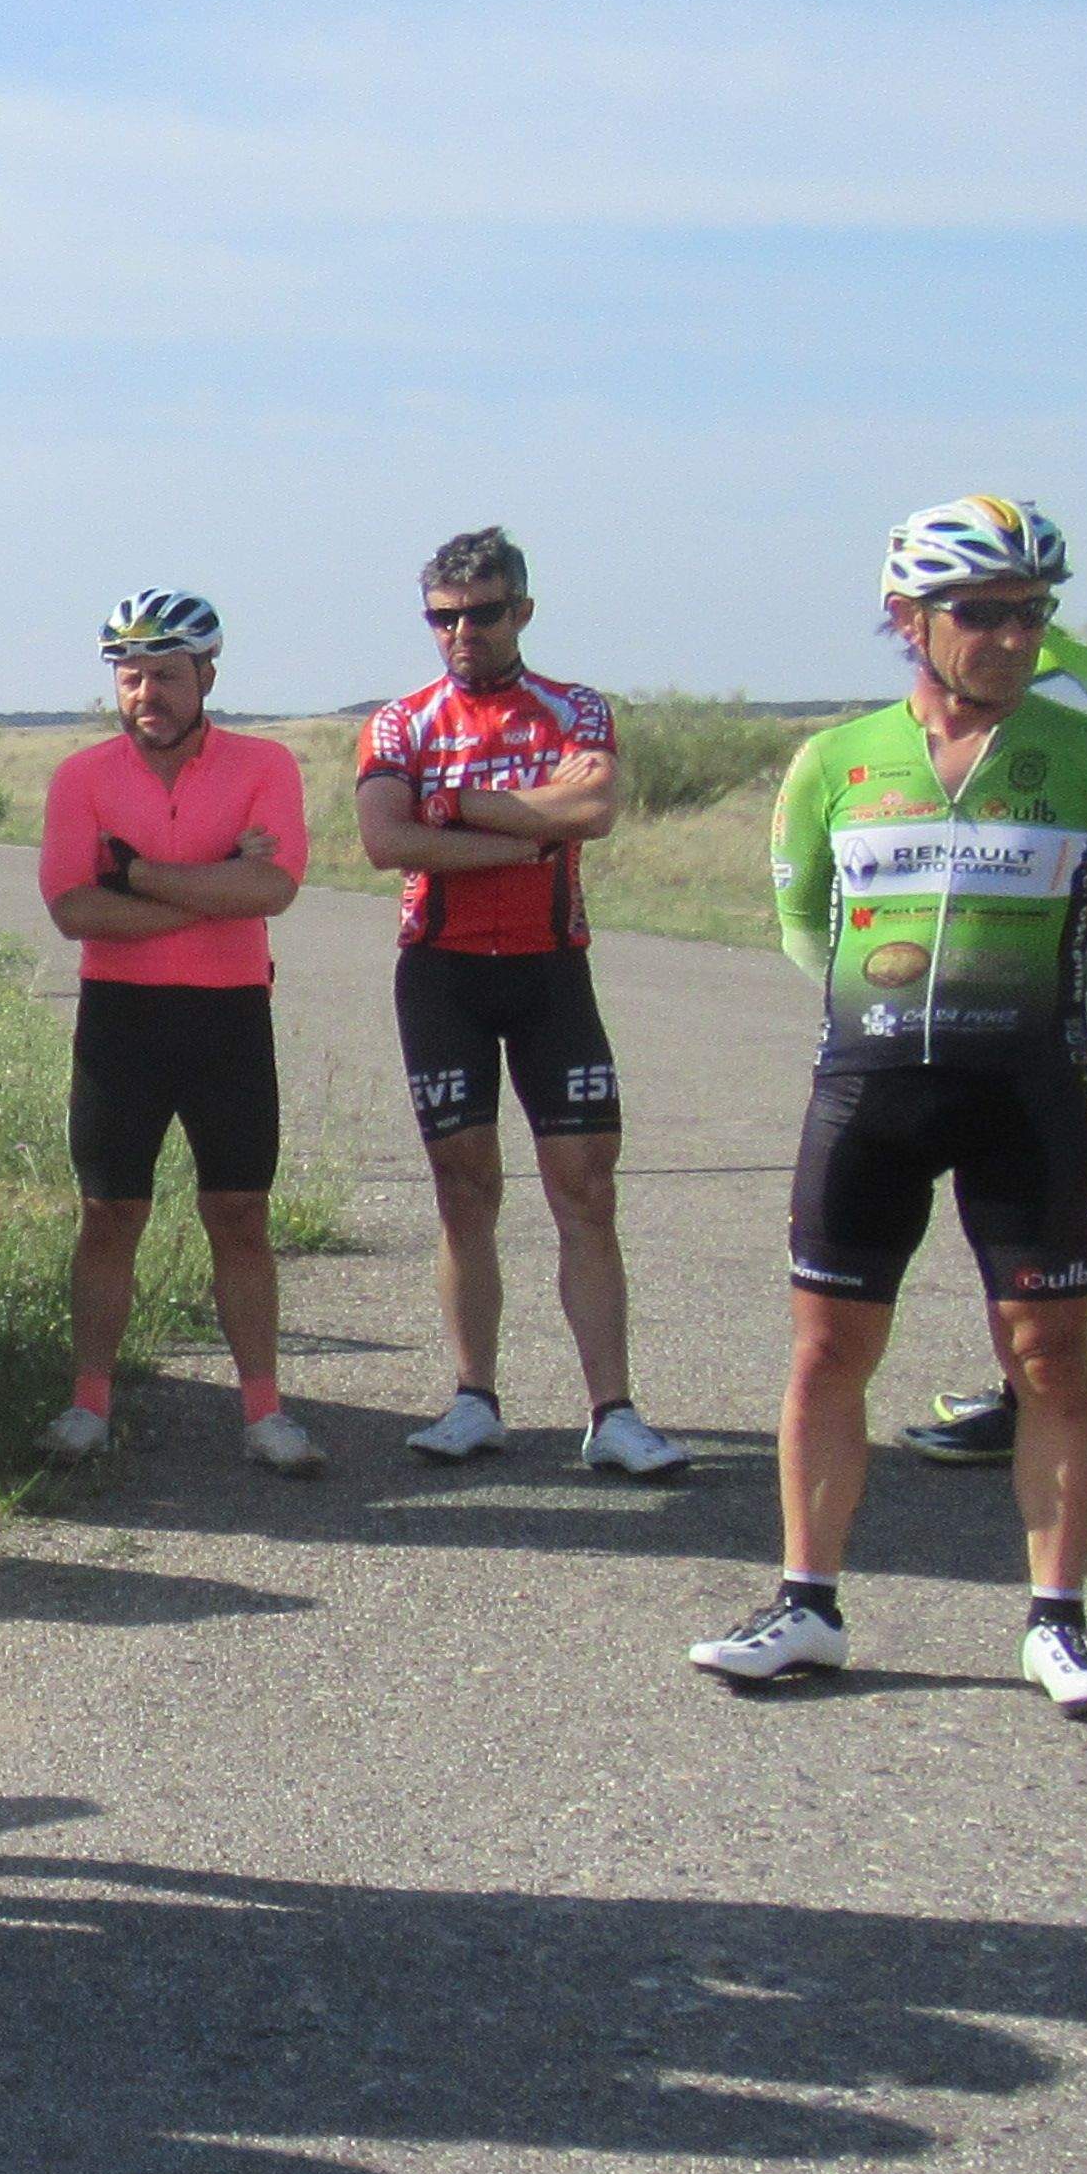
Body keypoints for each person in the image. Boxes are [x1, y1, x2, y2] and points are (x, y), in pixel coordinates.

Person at [694, 500, 1087, 1713]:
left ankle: (1059, 1623)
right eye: (984, 613)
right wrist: (896, 1025)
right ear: (908, 619)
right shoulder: (834, 760)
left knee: (1050, 1357)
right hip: (871, 1088)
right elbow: (805, 928)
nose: (1014, 637)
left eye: (1034, 612)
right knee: (827, 1351)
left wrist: (1040, 1034)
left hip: (1027, 1092)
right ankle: (806, 1605)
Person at [349, 529, 693, 1479]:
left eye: (484, 614)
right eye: (444, 618)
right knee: (464, 1190)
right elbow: (386, 841)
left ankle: (612, 1412)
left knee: (585, 1188)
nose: (463, 633)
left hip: (550, 971)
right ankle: (474, 1399)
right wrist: (525, 830)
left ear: (522, 611)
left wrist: (454, 808)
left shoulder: (575, 708)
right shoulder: (401, 724)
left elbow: (593, 813)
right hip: (442, 974)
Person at [37, 593, 322, 1478]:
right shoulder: (82, 777)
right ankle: (89, 1404)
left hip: (228, 1014)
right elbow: (73, 909)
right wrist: (212, 886)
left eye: (165, 674)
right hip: (120, 1016)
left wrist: (139, 877)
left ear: (206, 675)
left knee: (239, 1214)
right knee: (108, 1213)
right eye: (130, 677)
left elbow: (272, 890)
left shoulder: (265, 764)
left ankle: (265, 1412)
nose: (146, 694)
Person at [895, 592, 1087, 1472]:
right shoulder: (1079, 666)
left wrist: (1077, 1024)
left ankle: (1025, 1402)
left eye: (1027, 605)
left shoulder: (1065, 681)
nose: (1009, 631)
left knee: (1023, 1219)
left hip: (1031, 985)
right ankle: (1023, 1392)